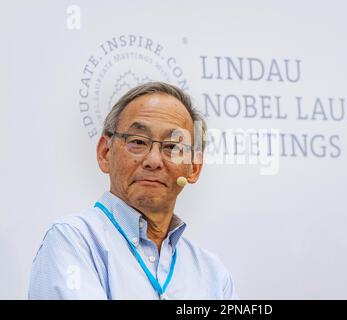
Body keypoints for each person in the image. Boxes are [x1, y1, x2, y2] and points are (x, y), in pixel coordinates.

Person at [28, 82, 238, 299]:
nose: (154, 160)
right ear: (105, 153)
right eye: (138, 141)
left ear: (194, 168)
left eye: (172, 147)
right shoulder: (73, 241)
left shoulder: (213, 274)